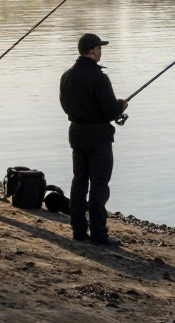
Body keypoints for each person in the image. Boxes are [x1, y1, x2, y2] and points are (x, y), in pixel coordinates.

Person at [59, 33, 128, 245]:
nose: (101, 52)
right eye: (99, 48)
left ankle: (79, 230)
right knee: (99, 184)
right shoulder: (99, 78)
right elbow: (110, 111)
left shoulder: (67, 76)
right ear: (92, 51)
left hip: (76, 132)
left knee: (79, 181)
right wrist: (121, 106)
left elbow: (65, 107)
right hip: (98, 136)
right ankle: (99, 233)